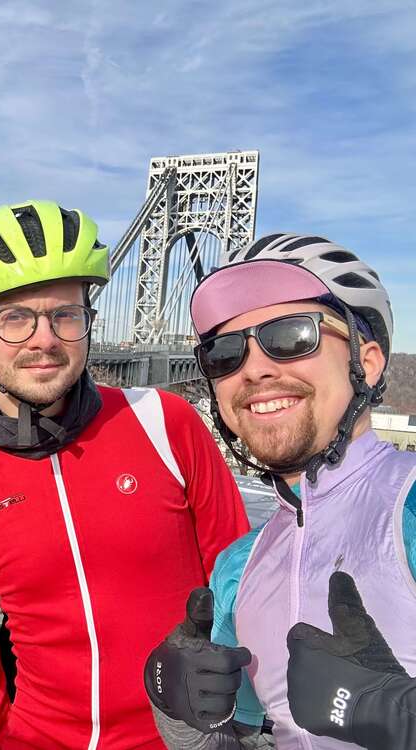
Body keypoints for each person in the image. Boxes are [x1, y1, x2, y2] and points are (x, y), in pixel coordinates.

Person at [0, 200, 250, 749]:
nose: (44, 340)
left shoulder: (166, 423)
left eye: (66, 316)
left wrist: (239, 714)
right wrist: (0, 734)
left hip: (181, 738)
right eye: (15, 318)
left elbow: (238, 578)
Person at [145, 234, 416, 749]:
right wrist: (181, 720)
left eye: (292, 336)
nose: (254, 369)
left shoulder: (410, 508)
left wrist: (402, 719)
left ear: (368, 362)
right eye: (225, 353)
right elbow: (240, 741)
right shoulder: (238, 567)